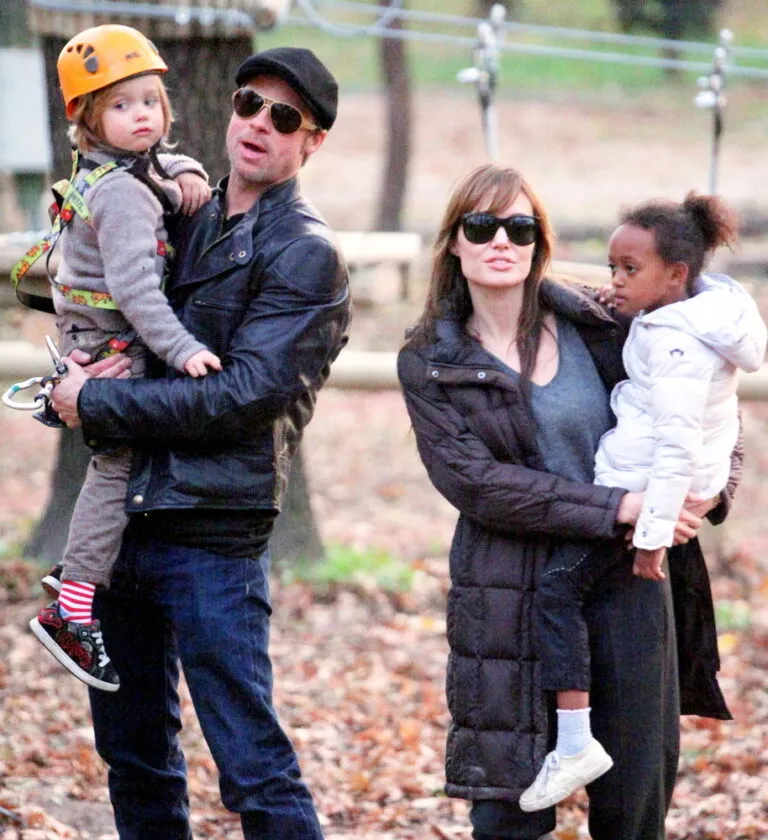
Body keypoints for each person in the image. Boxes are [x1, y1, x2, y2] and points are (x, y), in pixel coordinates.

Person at [48, 46, 351, 839]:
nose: (259, 124)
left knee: (251, 765)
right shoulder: (180, 209)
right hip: (126, 521)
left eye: (284, 116)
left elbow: (242, 398)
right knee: (135, 756)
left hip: (211, 532)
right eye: (249, 103)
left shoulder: (306, 253)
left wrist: (98, 401)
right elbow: (108, 308)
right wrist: (74, 377)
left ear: (312, 141)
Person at [397, 163, 742, 840]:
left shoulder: (605, 323)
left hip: (626, 579)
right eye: (481, 226)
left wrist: (701, 496)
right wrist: (620, 506)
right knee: (510, 811)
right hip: (508, 590)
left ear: (540, 242)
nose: (502, 240)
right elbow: (476, 482)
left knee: (633, 807)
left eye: (519, 227)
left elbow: (706, 407)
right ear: (455, 242)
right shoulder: (431, 359)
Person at [519, 192, 766, 812]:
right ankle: (577, 741)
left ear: (676, 275)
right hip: (638, 493)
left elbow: (680, 445)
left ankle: (574, 741)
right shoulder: (684, 319)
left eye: (630, 270)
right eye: (612, 268)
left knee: (558, 589)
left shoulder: (679, 343)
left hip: (640, 505)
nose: (616, 281)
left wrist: (653, 534)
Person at [27, 24, 220, 693]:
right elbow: (137, 292)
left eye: (149, 101)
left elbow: (160, 163)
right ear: (87, 117)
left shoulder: (119, 171)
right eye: (120, 105)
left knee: (122, 467)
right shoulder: (122, 194)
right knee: (117, 469)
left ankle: (81, 584)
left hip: (96, 337)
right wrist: (183, 349)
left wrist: (186, 169)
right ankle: (72, 607)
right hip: (112, 348)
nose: (141, 115)